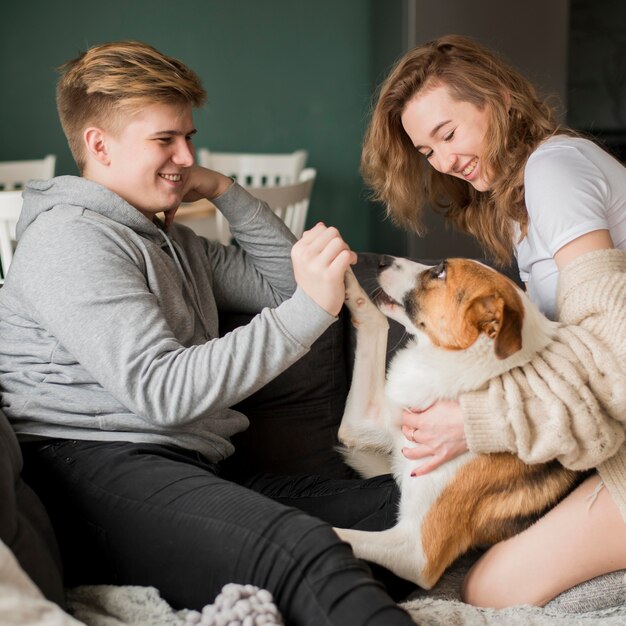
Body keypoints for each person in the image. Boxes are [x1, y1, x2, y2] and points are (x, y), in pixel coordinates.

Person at [0, 41, 416, 625]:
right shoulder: (70, 239)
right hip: (92, 470)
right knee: (302, 551)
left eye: (188, 138)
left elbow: (281, 288)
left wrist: (224, 191)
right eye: (164, 140)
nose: (184, 155)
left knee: (407, 506)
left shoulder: (171, 240)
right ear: (99, 144)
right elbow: (162, 390)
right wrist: (309, 311)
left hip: (189, 467)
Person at [360, 34, 626, 608]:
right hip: (609, 432)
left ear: (501, 98)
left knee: (488, 590)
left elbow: (614, 358)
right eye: (427, 151)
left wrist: (475, 420)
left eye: (448, 134)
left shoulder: (554, 173)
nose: (445, 162)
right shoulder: (522, 204)